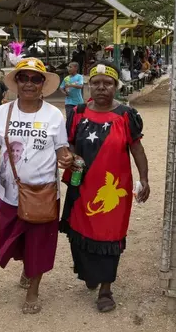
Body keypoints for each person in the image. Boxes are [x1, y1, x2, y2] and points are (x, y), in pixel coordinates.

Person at [0, 57, 74, 314]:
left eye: (35, 79)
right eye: (23, 78)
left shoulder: (54, 116)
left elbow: (62, 150)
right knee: (14, 240)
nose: (28, 83)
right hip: (10, 193)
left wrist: (67, 159)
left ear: (42, 84)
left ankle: (33, 289)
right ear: (15, 83)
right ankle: (28, 268)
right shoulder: (4, 112)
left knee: (39, 243)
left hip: (43, 193)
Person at [60, 60, 150, 313]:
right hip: (81, 185)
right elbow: (71, 145)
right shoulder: (77, 113)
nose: (101, 88)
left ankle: (106, 289)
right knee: (79, 232)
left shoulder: (126, 116)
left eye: (107, 83)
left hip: (113, 191)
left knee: (110, 236)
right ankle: (88, 273)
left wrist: (145, 178)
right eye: (96, 83)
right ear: (89, 86)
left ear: (116, 86)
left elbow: (137, 148)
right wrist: (71, 158)